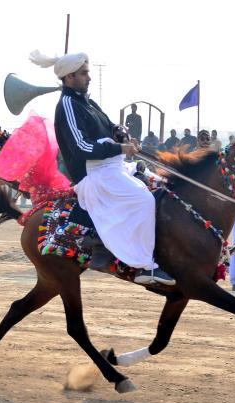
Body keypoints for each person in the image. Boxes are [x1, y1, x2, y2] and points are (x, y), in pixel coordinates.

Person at [29, 49, 174, 285]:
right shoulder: (66, 105)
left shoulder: (87, 102)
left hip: (112, 168)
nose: (89, 77)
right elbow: (81, 147)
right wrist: (120, 149)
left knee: (159, 186)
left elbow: (109, 127)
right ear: (69, 77)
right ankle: (145, 267)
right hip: (94, 176)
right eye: (84, 73)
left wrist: (121, 134)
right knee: (143, 200)